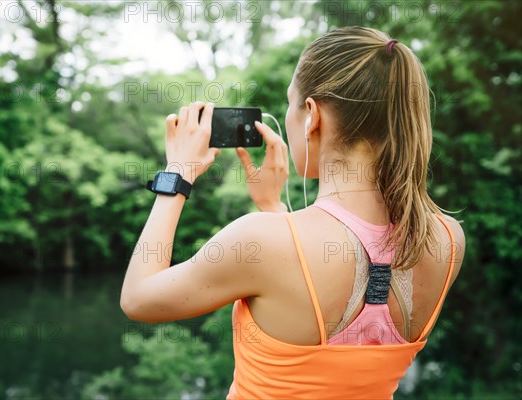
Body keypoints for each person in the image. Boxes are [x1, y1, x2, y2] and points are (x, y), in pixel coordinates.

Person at [120, 26, 466, 399]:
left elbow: (138, 298)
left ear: (312, 115)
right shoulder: (447, 239)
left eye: (290, 103)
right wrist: (273, 207)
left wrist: (178, 174)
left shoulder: (262, 239)